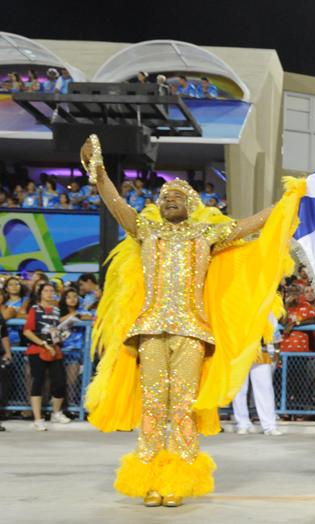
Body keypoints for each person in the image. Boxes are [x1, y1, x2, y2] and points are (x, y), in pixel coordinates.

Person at [80, 135, 300, 506]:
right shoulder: (144, 230)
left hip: (192, 332)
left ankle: (178, 481)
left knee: (181, 407)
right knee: (153, 405)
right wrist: (98, 170)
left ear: (192, 204)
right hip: (149, 329)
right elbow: (114, 202)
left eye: (177, 197)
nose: (169, 200)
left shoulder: (207, 234)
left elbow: (252, 223)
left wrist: (289, 200)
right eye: (164, 198)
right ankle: (148, 480)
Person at [22, 282, 71, 431]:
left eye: (52, 291)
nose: (50, 293)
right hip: (38, 350)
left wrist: (61, 335)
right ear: (40, 293)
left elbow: (55, 330)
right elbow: (27, 331)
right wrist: (44, 344)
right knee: (38, 383)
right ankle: (38, 419)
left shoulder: (56, 310)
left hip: (55, 350)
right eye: (46, 291)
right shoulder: (34, 309)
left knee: (60, 381)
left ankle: (56, 413)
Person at [232, 314, 283, 436]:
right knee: (239, 389)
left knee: (265, 388)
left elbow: (273, 330)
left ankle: (269, 425)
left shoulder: (266, 307)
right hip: (240, 352)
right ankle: (242, 424)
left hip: (262, 351)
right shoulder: (236, 305)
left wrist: (276, 351)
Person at [59, 289, 92, 407]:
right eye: (69, 297)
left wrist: (82, 316)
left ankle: (71, 406)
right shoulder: (59, 312)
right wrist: (72, 315)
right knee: (58, 382)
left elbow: (93, 318)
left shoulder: (83, 312)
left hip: (76, 352)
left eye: (75, 296)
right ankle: (55, 407)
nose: (72, 299)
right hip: (59, 351)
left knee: (71, 382)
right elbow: (58, 321)